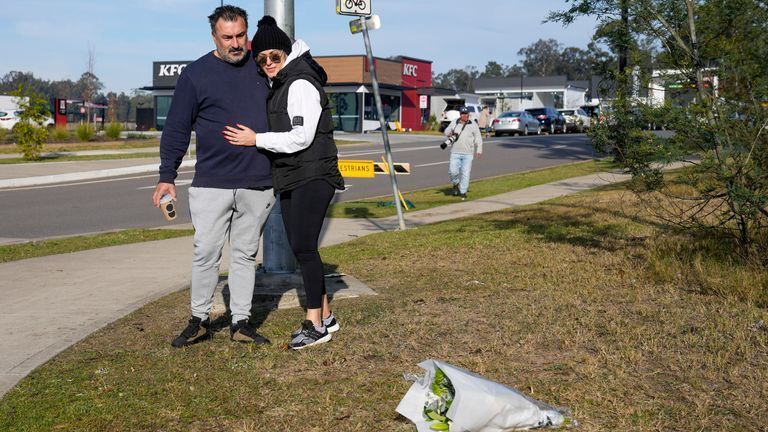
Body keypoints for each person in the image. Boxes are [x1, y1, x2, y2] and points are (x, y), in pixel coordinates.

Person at [152, 5, 275, 348]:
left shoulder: (262, 66)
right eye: (228, 37)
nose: (236, 44)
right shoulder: (195, 74)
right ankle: (200, 318)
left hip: (258, 181)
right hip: (211, 183)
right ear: (214, 37)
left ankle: (241, 322)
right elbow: (176, 129)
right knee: (205, 252)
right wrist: (167, 176)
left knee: (245, 254)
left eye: (240, 36)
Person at [223, 16, 345, 350]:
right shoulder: (285, 81)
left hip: (312, 174)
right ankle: (327, 316)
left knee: (304, 248)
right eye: (261, 60)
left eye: (273, 57)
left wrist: (256, 139)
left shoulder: (301, 82)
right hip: (295, 174)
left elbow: (301, 137)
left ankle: (314, 325)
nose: (267, 65)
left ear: (286, 53)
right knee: (303, 247)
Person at [444, 106, 483, 200]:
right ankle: (455, 184)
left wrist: (479, 149)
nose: (464, 115)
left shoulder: (473, 124)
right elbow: (446, 131)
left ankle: (463, 192)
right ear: (460, 114)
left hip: (468, 153)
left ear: (468, 114)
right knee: (453, 171)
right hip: (455, 152)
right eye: (462, 114)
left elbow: (478, 137)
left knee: (465, 173)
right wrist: (449, 133)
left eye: (466, 114)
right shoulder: (455, 122)